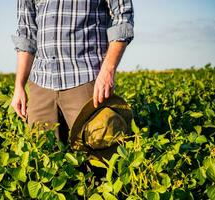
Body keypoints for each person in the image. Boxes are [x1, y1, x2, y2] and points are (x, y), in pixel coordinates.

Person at [10, 0, 134, 141]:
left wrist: (108, 70)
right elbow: (26, 33)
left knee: (97, 153)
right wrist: (19, 85)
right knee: (42, 154)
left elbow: (123, 16)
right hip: (41, 84)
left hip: (86, 79)